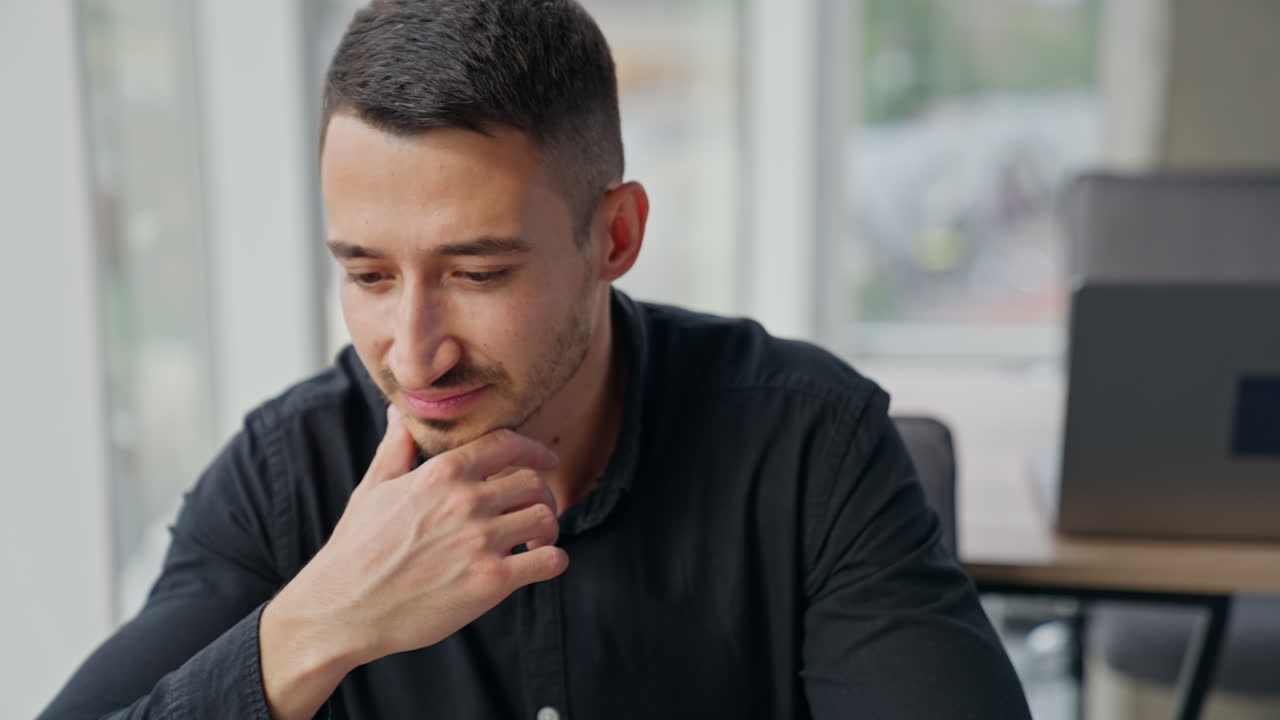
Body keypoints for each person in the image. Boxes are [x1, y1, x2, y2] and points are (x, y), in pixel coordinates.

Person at [42, 1, 1032, 718]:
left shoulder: (808, 445)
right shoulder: (283, 478)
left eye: (477, 273)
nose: (413, 352)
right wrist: (316, 627)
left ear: (614, 236)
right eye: (370, 275)